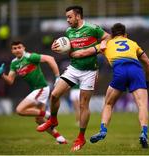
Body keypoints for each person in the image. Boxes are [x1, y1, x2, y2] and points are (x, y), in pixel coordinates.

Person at [37, 6, 110, 151]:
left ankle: (81, 138)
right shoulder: (68, 32)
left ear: (78, 16)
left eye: (70, 17)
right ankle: (53, 119)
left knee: (83, 105)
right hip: (74, 69)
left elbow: (107, 38)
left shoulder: (92, 28)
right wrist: (58, 47)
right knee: (55, 94)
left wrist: (92, 50)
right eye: (66, 17)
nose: (67, 20)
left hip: (90, 71)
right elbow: (70, 52)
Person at [70, 23, 149, 148]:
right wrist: (147, 81)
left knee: (108, 104)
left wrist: (70, 52)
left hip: (119, 70)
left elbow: (83, 53)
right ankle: (144, 133)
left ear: (112, 35)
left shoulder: (106, 44)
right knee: (142, 105)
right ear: (125, 35)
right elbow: (148, 63)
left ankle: (103, 130)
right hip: (136, 70)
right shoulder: (132, 43)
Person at [0, 41, 67, 144]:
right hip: (37, 90)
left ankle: (48, 114)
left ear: (24, 48)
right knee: (39, 120)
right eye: (14, 48)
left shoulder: (30, 57)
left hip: (41, 89)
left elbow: (50, 59)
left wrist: (58, 76)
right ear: (12, 51)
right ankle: (60, 139)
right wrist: (2, 74)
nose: (17, 50)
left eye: (19, 47)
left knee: (19, 110)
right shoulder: (14, 63)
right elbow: (10, 81)